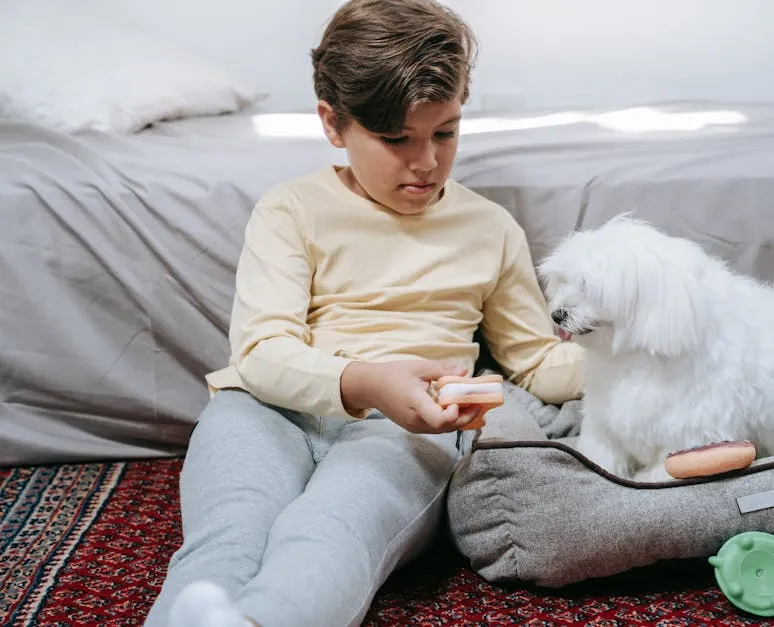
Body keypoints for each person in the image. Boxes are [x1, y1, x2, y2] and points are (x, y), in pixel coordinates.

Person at [144, 1, 583, 625]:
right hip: (265, 409)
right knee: (226, 539)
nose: (427, 161)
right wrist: (365, 379)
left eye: (445, 132)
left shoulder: (490, 228)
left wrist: (639, 354)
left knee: (332, 530)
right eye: (396, 139)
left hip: (407, 427)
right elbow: (262, 352)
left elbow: (536, 359)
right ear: (333, 123)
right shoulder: (289, 209)